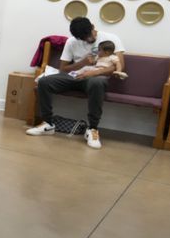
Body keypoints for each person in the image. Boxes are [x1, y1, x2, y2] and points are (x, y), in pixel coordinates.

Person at [27, 17, 125, 149]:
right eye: (82, 38)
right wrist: (82, 63)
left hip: (96, 78)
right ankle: (48, 124)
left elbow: (119, 66)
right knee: (44, 81)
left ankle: (92, 129)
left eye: (88, 36)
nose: (87, 40)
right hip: (75, 76)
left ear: (92, 26)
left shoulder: (111, 38)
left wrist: (93, 73)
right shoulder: (71, 42)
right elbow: (63, 69)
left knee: (97, 83)